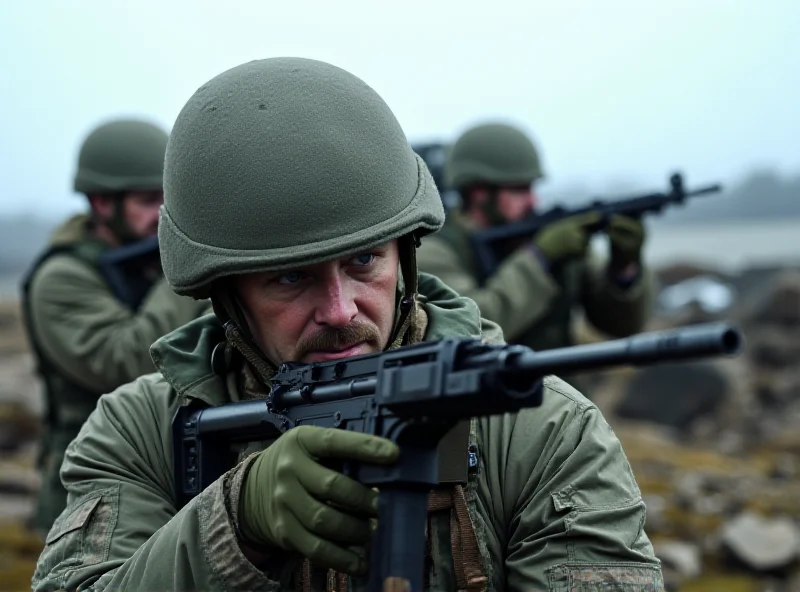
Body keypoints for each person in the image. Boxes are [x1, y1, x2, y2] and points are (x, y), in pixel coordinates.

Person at [31, 58, 664, 591]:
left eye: (365, 260)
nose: (340, 311)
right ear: (224, 293)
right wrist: (231, 524)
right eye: (289, 277)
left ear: (405, 257)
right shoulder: (138, 432)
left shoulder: (542, 431)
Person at [22, 118, 209, 535]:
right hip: (89, 498)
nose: (163, 213)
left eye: (169, 198)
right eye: (148, 200)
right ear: (102, 203)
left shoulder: (143, 262)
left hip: (169, 471)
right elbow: (128, 360)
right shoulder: (61, 278)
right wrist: (185, 265)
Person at [416, 122, 655, 353]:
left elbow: (623, 325)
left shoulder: (550, 239)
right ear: (479, 194)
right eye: (519, 190)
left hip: (561, 389)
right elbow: (468, 329)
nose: (534, 201)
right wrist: (539, 257)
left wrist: (624, 270)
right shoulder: (435, 250)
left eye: (532, 188)